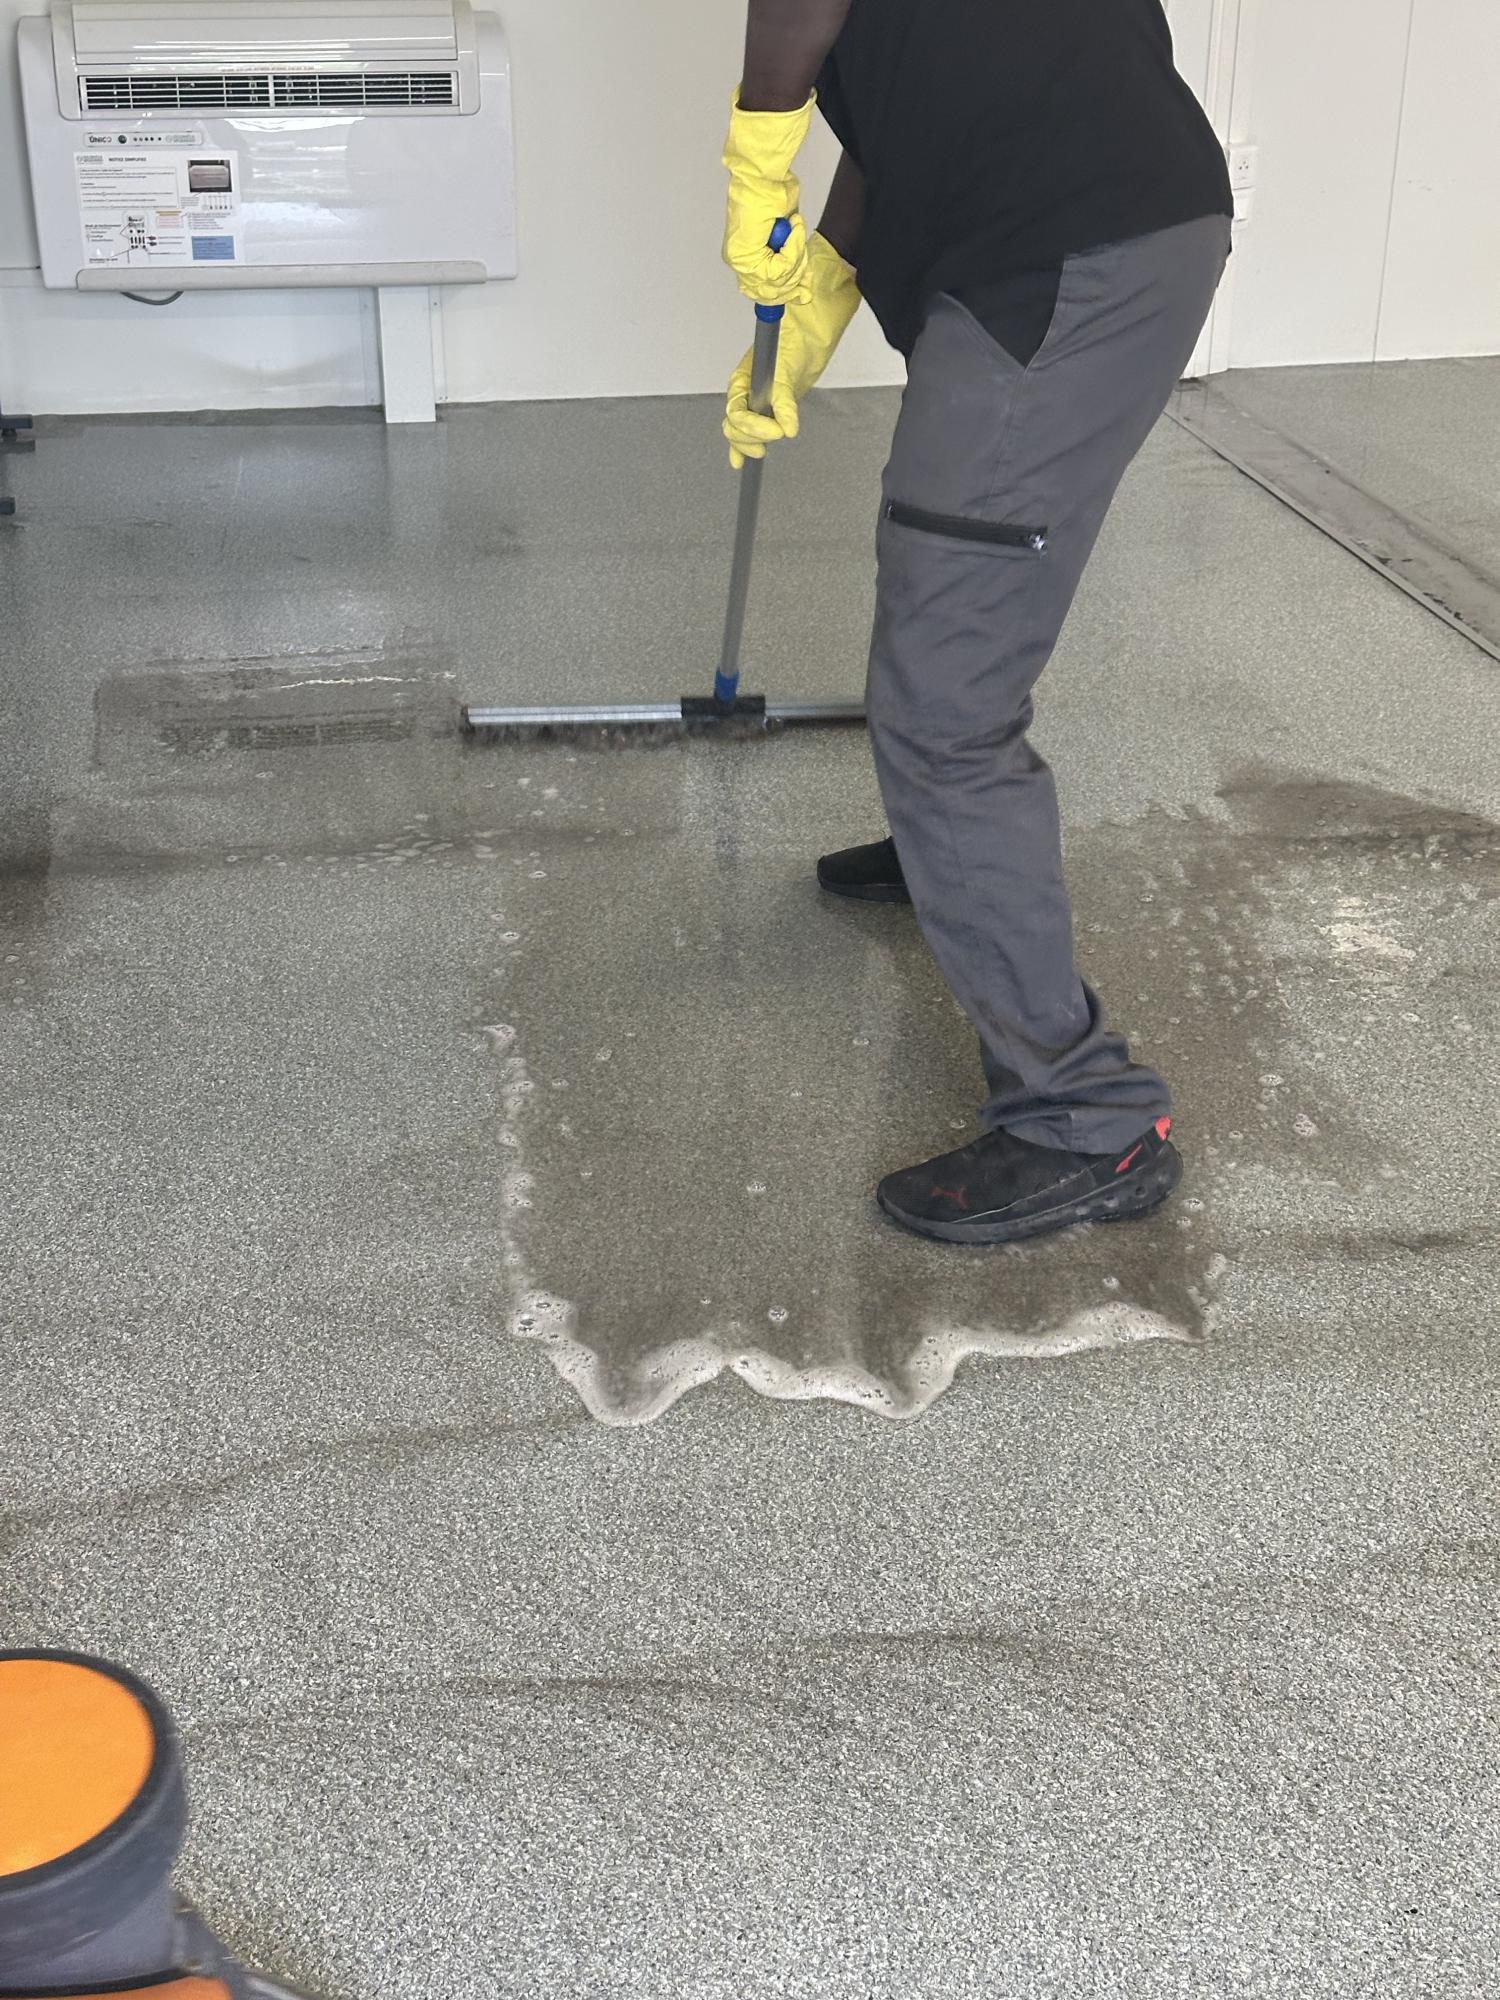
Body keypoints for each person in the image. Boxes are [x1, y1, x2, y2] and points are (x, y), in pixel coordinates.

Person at [721, 0, 1233, 1247]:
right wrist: (823, 286)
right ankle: (950, 859)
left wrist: (757, 144)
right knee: (948, 571)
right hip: (1082, 216)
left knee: (945, 698)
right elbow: (908, 108)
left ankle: (1083, 1117)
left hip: (1065, 245)